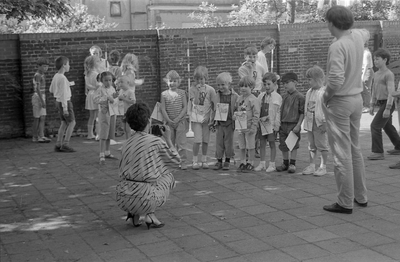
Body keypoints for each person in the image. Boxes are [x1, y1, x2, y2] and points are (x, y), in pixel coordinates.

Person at [322, 5, 369, 214]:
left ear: (332, 23)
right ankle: (361, 196)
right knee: (354, 149)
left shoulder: (337, 46)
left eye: (327, 22)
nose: (327, 26)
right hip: (357, 99)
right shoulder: (357, 36)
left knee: (342, 154)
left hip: (340, 102)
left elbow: (335, 79)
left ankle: (345, 201)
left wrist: (325, 96)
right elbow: (367, 32)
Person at [116, 102, 180, 229]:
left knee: (140, 175)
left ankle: (133, 215)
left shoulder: (126, 143)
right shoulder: (155, 141)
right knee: (168, 177)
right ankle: (150, 215)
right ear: (148, 121)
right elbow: (176, 161)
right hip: (144, 199)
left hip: (122, 197)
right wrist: (168, 139)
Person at [368, 48, 400, 160]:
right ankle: (399, 146)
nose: (375, 61)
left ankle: (378, 152)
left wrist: (388, 108)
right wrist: (372, 105)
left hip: (388, 103)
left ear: (385, 60)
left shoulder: (388, 74)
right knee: (387, 127)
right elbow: (373, 91)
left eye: (377, 59)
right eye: (374, 59)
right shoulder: (376, 74)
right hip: (380, 103)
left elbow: (391, 92)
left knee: (375, 126)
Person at [188, 66, 217, 170]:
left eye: (202, 78)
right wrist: (197, 91)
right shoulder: (192, 89)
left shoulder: (210, 90)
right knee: (197, 140)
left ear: (206, 78)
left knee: (205, 140)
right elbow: (194, 102)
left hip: (207, 119)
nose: (200, 81)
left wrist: (212, 118)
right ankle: (195, 160)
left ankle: (204, 159)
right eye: (197, 79)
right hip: (196, 119)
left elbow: (214, 104)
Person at [302, 66, 329, 176]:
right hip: (310, 122)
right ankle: (312, 165)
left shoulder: (323, 92)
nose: (308, 82)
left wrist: (325, 122)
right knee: (311, 145)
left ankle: (323, 166)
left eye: (310, 79)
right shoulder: (309, 92)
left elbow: (326, 108)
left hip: (319, 122)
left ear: (317, 79)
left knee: (322, 145)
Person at [276, 72, 305, 173]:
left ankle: (292, 163)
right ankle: (285, 162)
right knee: (283, 144)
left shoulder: (300, 97)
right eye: (284, 83)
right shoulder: (283, 97)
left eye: (287, 82)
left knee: (293, 144)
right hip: (283, 124)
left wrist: (298, 125)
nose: (285, 85)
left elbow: (302, 112)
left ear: (295, 82)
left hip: (293, 124)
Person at [160, 70, 188, 170]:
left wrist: (178, 118)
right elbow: (163, 108)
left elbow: (185, 107)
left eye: (175, 81)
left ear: (178, 82)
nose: (173, 83)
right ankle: (171, 161)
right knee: (170, 142)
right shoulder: (164, 94)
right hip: (169, 123)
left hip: (180, 122)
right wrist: (168, 119)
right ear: (166, 81)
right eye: (170, 81)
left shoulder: (182, 93)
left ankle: (183, 161)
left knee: (181, 143)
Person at [254, 72, 282, 173]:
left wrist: (277, 126)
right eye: (265, 84)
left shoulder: (278, 97)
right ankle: (262, 163)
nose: (266, 86)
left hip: (271, 124)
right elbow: (257, 109)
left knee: (272, 144)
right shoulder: (261, 96)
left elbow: (278, 112)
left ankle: (272, 164)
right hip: (262, 123)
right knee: (261, 143)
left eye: (269, 84)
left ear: (274, 84)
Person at [212, 72, 239, 170]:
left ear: (229, 84)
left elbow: (237, 108)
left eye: (223, 84)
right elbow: (213, 108)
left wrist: (236, 115)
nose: (220, 87)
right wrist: (213, 121)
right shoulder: (216, 95)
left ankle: (227, 160)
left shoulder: (235, 96)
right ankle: (219, 160)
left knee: (228, 143)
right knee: (219, 143)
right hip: (219, 123)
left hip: (229, 123)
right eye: (218, 85)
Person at [49, 56, 76, 152]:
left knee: (64, 123)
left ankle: (58, 143)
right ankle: (66, 144)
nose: (69, 66)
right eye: (68, 64)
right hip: (65, 102)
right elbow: (64, 94)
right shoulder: (63, 78)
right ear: (64, 65)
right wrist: (65, 108)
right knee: (72, 122)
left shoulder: (56, 76)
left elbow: (51, 90)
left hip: (58, 101)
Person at [235, 76, 260, 172]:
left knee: (250, 146)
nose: (243, 88)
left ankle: (251, 162)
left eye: (246, 86)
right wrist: (235, 117)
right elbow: (237, 110)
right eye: (241, 86)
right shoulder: (239, 98)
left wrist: (254, 126)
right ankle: (242, 162)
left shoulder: (253, 99)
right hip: (241, 127)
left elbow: (256, 113)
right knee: (242, 145)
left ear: (252, 87)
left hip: (249, 127)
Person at [93, 71, 119, 164]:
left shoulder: (112, 88)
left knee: (109, 133)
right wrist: (106, 98)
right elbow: (95, 99)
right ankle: (101, 154)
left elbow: (115, 100)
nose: (108, 82)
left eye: (110, 80)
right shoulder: (100, 89)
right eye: (106, 80)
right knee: (103, 133)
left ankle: (107, 152)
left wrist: (115, 98)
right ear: (102, 81)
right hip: (104, 113)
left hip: (112, 113)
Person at [31, 57, 51, 143]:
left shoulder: (42, 74)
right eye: (43, 66)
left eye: (47, 66)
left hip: (42, 95)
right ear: (39, 66)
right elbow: (37, 89)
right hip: (38, 96)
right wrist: (42, 101)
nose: (45, 68)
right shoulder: (38, 75)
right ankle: (35, 136)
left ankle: (41, 135)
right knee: (37, 117)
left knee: (42, 117)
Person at [84, 55, 101, 140]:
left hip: (90, 95)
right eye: (97, 61)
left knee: (91, 116)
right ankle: (98, 134)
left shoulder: (87, 74)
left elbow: (87, 86)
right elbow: (98, 85)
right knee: (98, 115)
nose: (99, 63)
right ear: (94, 63)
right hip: (96, 95)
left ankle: (90, 134)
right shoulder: (96, 74)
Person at [116, 75, 136, 140]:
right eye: (119, 82)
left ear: (127, 82)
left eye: (122, 82)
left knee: (128, 129)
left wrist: (123, 99)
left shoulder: (130, 92)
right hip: (123, 112)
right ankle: (126, 143)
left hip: (129, 112)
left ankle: (129, 143)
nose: (120, 84)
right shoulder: (121, 91)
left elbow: (133, 102)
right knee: (124, 129)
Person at [361, 40, 373, 113]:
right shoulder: (364, 52)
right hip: (365, 71)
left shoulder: (366, 53)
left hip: (366, 71)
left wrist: (362, 76)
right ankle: (364, 105)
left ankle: (367, 106)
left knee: (366, 89)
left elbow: (365, 65)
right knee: (363, 90)